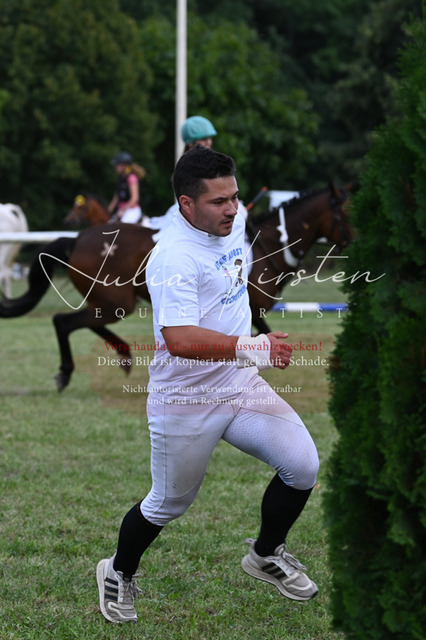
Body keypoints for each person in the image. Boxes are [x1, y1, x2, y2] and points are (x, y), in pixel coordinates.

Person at [96, 146, 320, 624]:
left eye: (234, 196)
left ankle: (265, 554)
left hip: (238, 383)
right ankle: (118, 570)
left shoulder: (232, 222)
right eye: (219, 201)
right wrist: (253, 346)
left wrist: (248, 347)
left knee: (302, 465)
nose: (232, 208)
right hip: (185, 398)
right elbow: (178, 339)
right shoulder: (172, 257)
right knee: (168, 503)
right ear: (186, 203)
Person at [107, 151, 146, 223]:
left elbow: (135, 198)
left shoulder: (131, 177)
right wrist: (108, 210)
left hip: (131, 210)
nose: (115, 167)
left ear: (124, 165)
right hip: (121, 210)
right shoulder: (120, 178)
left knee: (123, 227)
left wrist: (123, 210)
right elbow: (117, 196)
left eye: (117, 165)